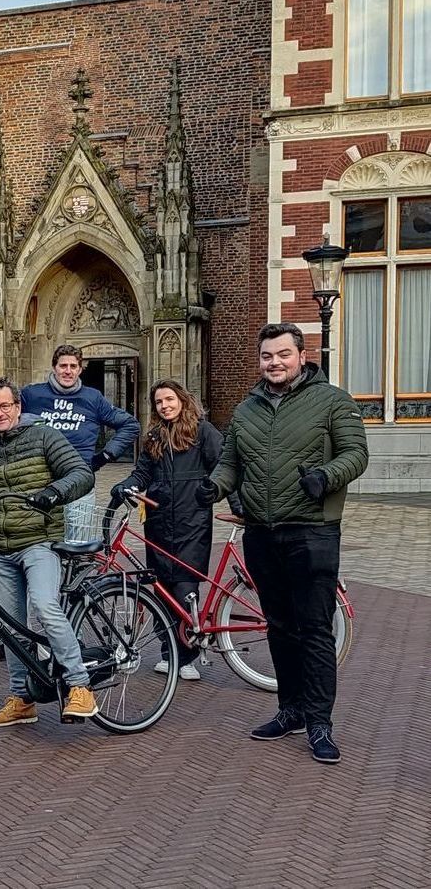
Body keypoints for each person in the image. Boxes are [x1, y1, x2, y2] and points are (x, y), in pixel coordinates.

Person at [200, 322, 368, 764]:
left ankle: (320, 723)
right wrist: (213, 487)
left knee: (313, 629)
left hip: (312, 529)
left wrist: (325, 477)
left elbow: (356, 454)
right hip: (261, 531)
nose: (274, 363)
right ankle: (289, 710)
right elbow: (231, 463)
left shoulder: (332, 400)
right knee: (277, 624)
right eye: (267, 356)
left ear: (300, 355)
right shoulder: (247, 409)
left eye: (282, 355)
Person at [0, 378, 98, 727]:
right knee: (9, 626)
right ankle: (22, 699)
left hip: (40, 540)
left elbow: (81, 473)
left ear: (18, 407)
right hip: (0, 547)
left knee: (43, 605)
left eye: (5, 405)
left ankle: (80, 686)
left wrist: (54, 492)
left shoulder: (44, 436)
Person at [111, 380, 233, 682]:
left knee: (184, 589)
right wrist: (126, 485)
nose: (165, 406)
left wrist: (234, 502)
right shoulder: (154, 437)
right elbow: (142, 472)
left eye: (169, 399)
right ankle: (169, 653)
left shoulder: (203, 432)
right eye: (159, 402)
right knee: (161, 589)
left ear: (182, 399)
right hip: (158, 522)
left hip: (193, 522)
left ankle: (188, 655)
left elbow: (225, 467)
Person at [20, 345, 141, 542]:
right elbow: (1, 417)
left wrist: (105, 456)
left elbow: (130, 425)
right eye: (63, 365)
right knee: (39, 541)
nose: (68, 371)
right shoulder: (32, 395)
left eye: (73, 366)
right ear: (54, 367)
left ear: (80, 369)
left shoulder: (92, 397)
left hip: (78, 480)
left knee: (78, 543)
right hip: (40, 479)